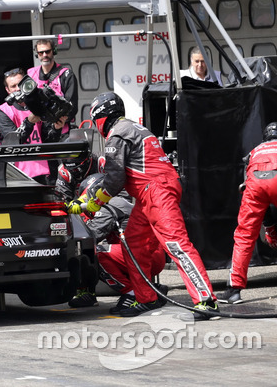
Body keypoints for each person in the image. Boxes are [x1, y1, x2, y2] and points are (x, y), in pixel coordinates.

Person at [68, 92, 219, 319]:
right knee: (134, 241)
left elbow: (114, 180)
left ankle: (206, 300)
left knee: (177, 245)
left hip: (157, 192)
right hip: (151, 193)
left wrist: (92, 204)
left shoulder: (117, 134)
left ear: (100, 117)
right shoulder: (133, 128)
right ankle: (146, 298)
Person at [65, 172, 167, 313]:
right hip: (147, 254)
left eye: (85, 198)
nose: (84, 203)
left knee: (96, 253)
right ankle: (151, 289)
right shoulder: (118, 202)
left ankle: (131, 293)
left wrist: (79, 219)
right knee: (101, 251)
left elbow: (91, 236)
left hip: (145, 256)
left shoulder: (109, 205)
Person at [217, 122, 277, 305]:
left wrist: (269, 229)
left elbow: (249, 185)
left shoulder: (254, 150)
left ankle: (234, 291)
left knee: (244, 236)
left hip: (254, 186)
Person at [0, 68, 65, 184]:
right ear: (7, 90)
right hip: (18, 175)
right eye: (13, 86)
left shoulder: (39, 104)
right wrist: (29, 122)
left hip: (47, 172)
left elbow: (48, 140)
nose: (17, 89)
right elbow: (12, 144)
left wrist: (56, 128)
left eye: (20, 84)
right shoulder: (2, 112)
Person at [27, 39, 78, 129]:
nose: (44, 55)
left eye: (47, 51)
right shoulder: (31, 74)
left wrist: (57, 120)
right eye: (41, 53)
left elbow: (72, 107)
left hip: (60, 129)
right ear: (37, 54)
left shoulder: (66, 74)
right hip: (37, 131)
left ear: (54, 51)